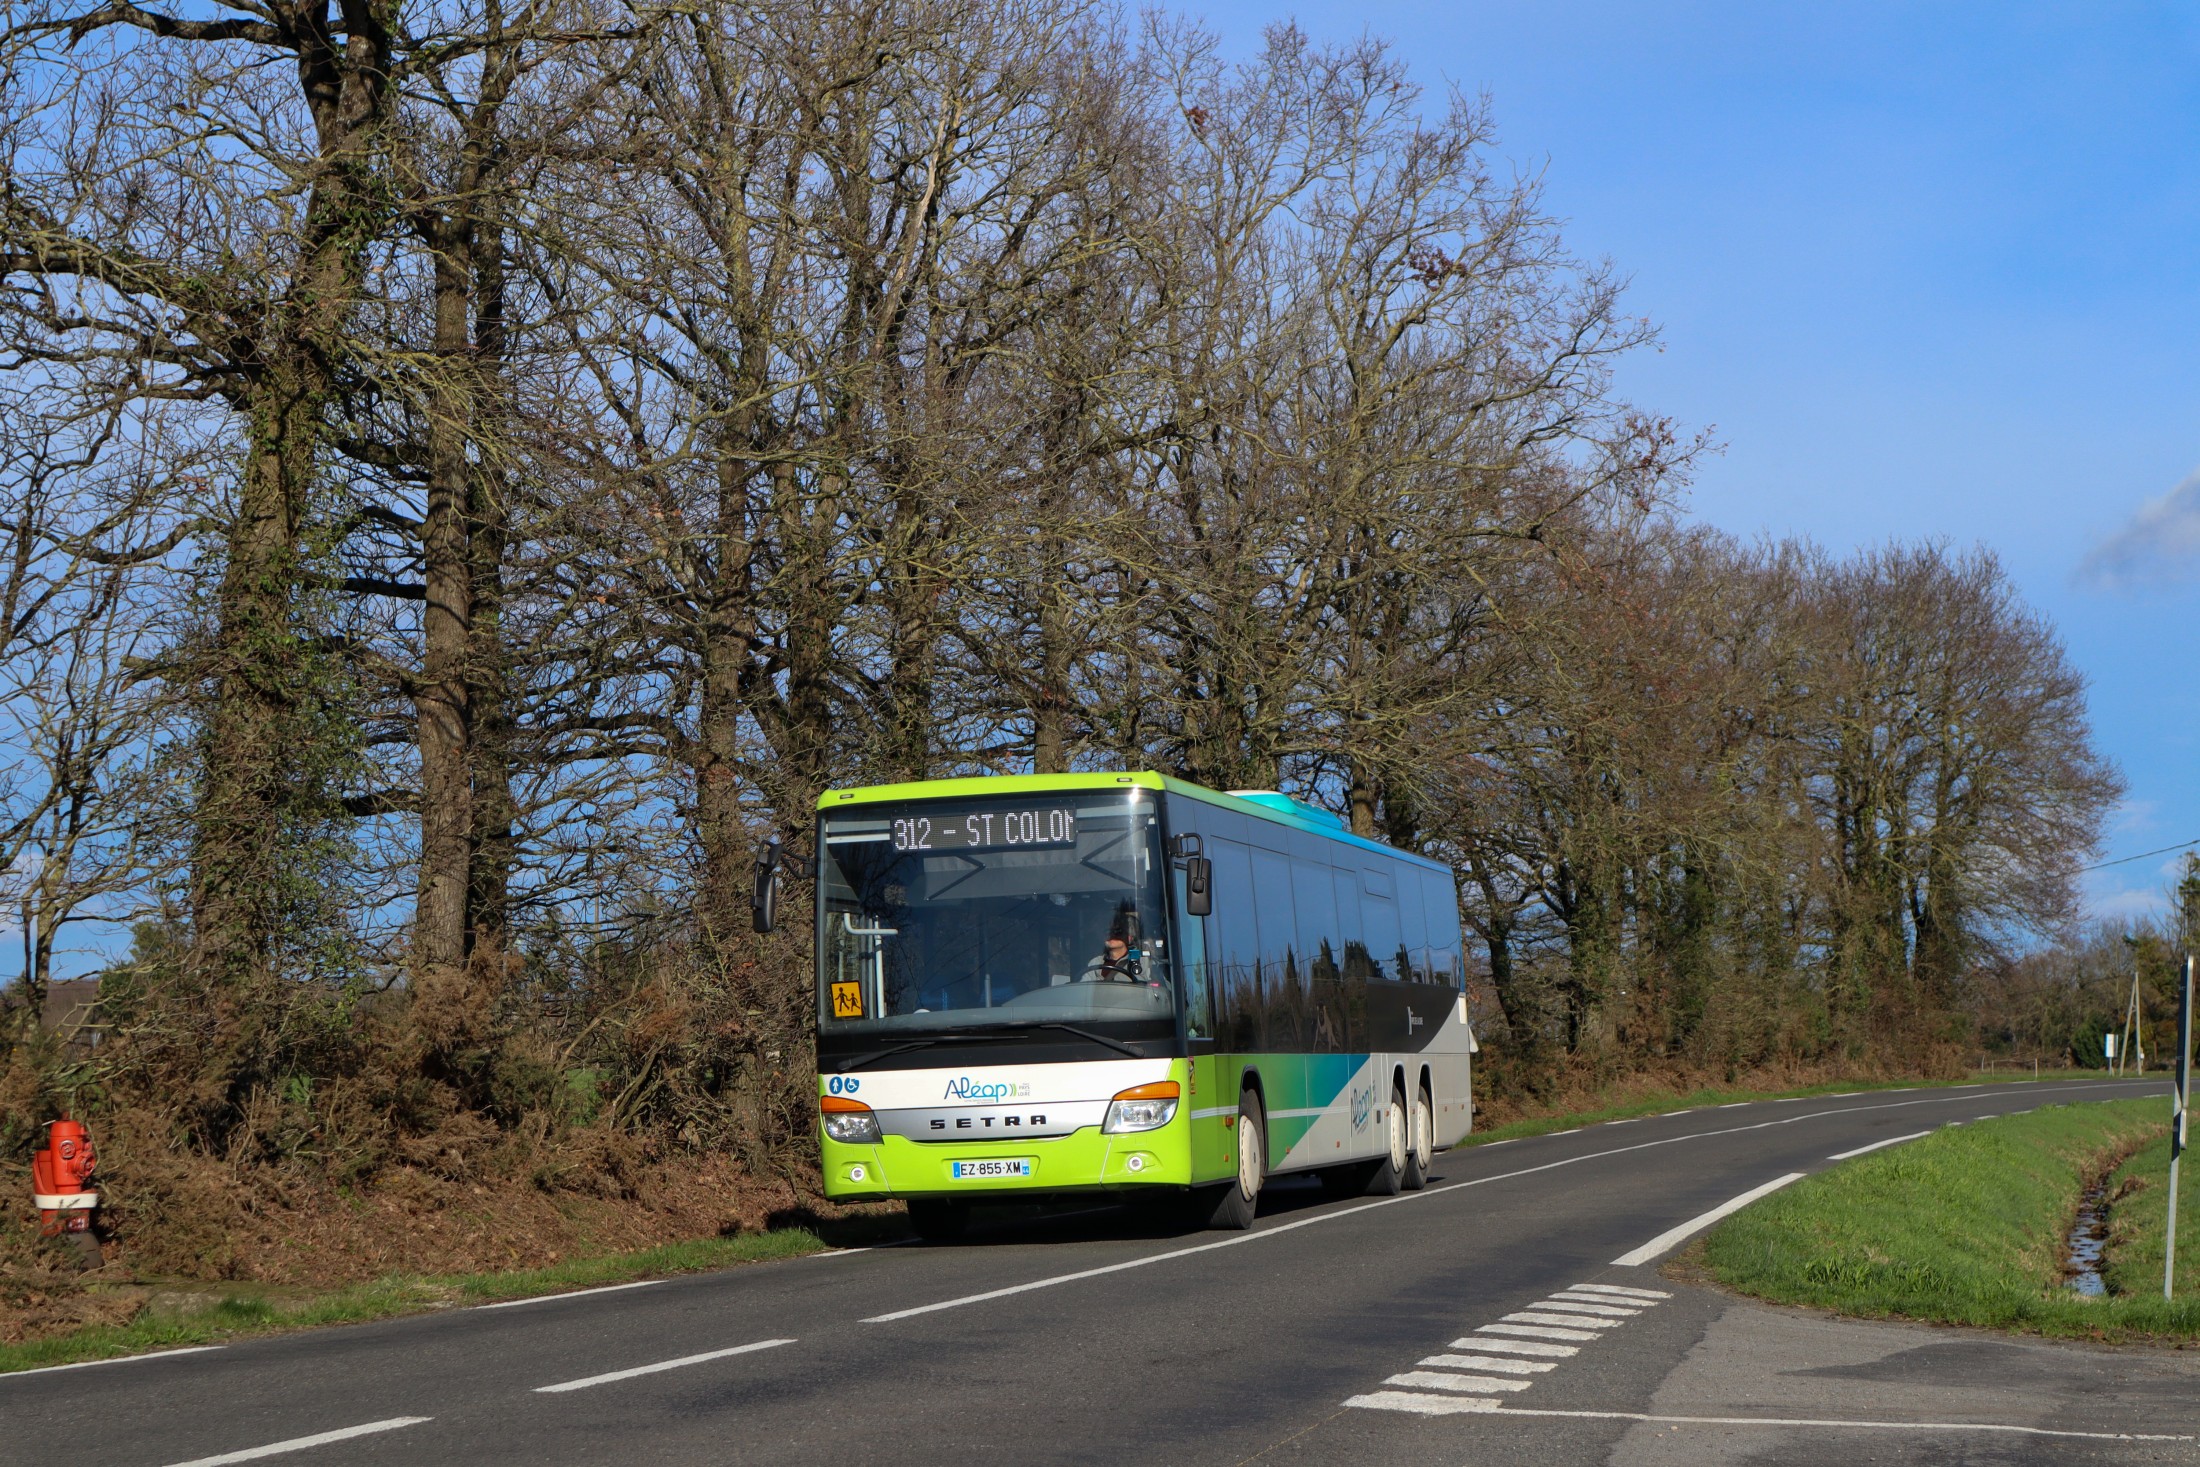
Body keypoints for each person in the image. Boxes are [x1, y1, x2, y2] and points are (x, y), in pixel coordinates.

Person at [1082, 909, 1146, 982]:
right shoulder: (1095, 962)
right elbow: (1084, 987)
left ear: (1129, 937)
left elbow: (1147, 986)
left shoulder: (1142, 961)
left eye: (1118, 932)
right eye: (1107, 931)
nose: (1111, 935)